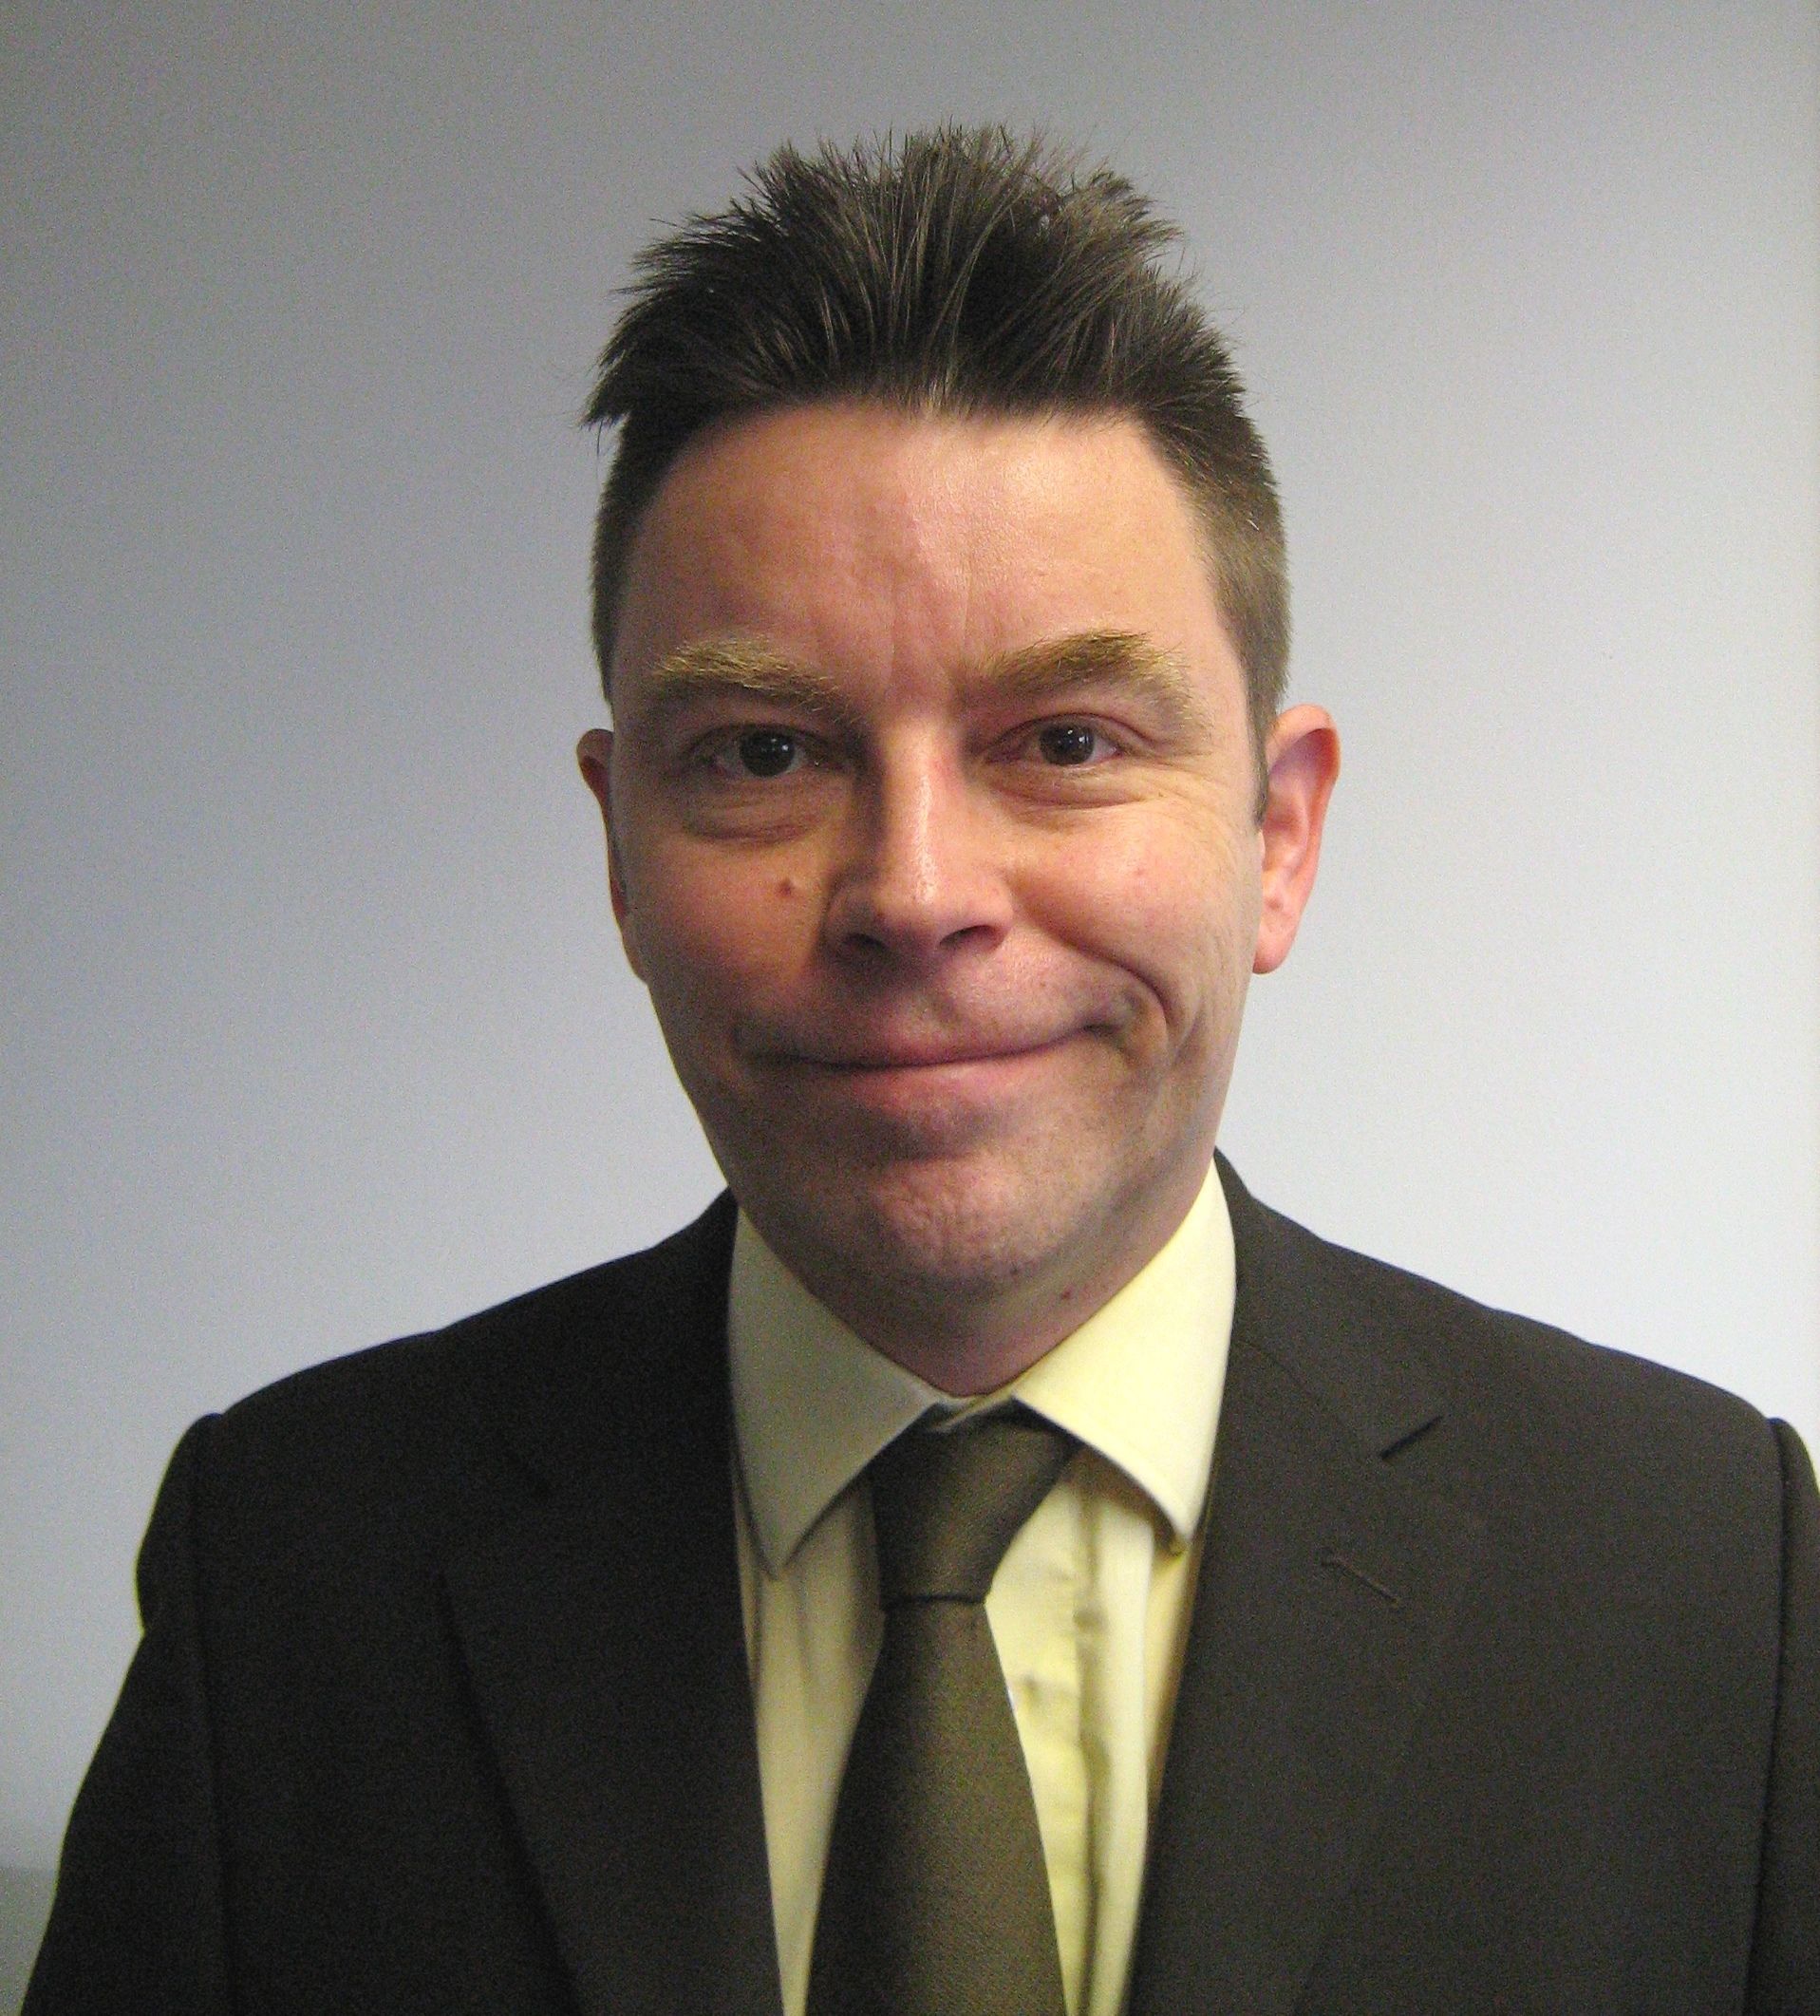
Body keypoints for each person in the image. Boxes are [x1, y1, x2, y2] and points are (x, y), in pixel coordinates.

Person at [28, 126, 1816, 2016]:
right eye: (759, 755)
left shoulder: (1706, 1585)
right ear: (618, 846)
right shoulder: (294, 1576)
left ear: (1275, 840)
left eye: (1058, 737)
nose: (914, 895)